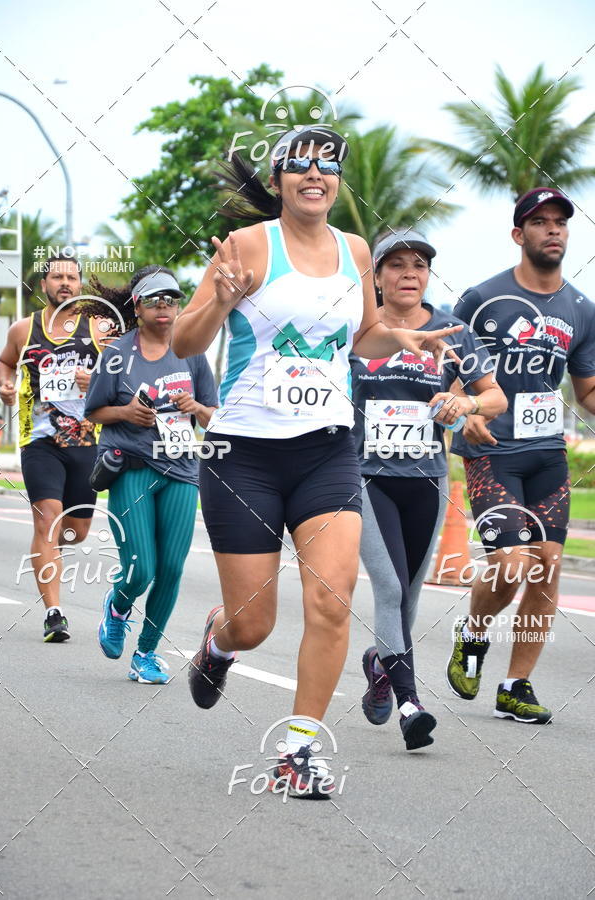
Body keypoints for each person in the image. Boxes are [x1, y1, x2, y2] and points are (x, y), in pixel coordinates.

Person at [171, 126, 463, 797]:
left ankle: (300, 751)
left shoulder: (356, 251)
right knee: (256, 621)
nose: (314, 174)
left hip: (327, 451)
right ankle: (219, 640)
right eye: (299, 165)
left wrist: (400, 337)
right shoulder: (249, 246)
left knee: (332, 602)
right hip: (242, 457)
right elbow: (187, 338)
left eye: (326, 165)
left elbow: (361, 337)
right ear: (278, 180)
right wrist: (218, 298)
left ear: (336, 180)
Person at [351, 230, 507, 750]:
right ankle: (410, 704)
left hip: (426, 478)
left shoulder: (452, 332)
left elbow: (495, 398)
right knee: (390, 588)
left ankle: (380, 662)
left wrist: (464, 405)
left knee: (410, 597)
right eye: (395, 265)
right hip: (365, 477)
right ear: (376, 277)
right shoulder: (357, 328)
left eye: (418, 264)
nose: (409, 273)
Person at [446, 187, 595, 723]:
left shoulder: (582, 309)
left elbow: (587, 392)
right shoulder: (478, 299)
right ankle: (473, 632)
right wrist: (468, 411)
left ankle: (516, 686)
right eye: (540, 222)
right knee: (512, 565)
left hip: (548, 455)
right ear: (519, 234)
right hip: (492, 453)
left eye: (560, 222)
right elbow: (446, 372)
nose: (553, 230)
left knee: (547, 567)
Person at [83, 266, 218, 684]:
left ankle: (146, 653)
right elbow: (93, 411)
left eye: (172, 299)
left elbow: (214, 415)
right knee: (141, 568)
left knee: (172, 568)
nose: (165, 307)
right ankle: (118, 605)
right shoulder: (118, 355)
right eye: (155, 300)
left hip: (181, 469)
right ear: (137, 307)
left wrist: (195, 407)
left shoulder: (192, 352)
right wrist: (126, 412)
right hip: (132, 470)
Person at [0, 254, 104, 643]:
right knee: (47, 519)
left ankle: (48, 549)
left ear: (80, 284)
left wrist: (95, 378)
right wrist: (6, 386)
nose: (65, 283)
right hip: (39, 440)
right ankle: (54, 614)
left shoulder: (99, 329)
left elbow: (122, 373)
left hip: (86, 442)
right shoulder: (24, 330)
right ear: (43, 284)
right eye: (57, 276)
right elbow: (5, 363)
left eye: (72, 277)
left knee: (75, 533)